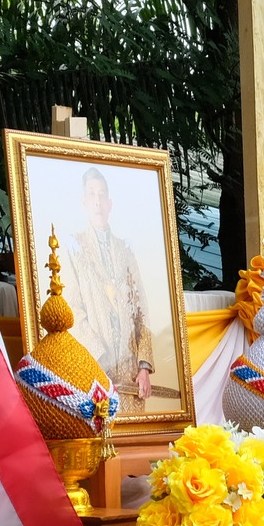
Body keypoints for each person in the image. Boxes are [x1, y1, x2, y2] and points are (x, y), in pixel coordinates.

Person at [57, 166, 156, 408]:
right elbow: (73, 313)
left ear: (110, 203)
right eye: (91, 194)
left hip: (130, 377)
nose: (97, 201)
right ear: (84, 202)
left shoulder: (126, 252)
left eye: (102, 194)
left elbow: (141, 310)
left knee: (133, 442)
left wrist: (143, 367)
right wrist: (99, 359)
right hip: (95, 372)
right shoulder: (74, 250)